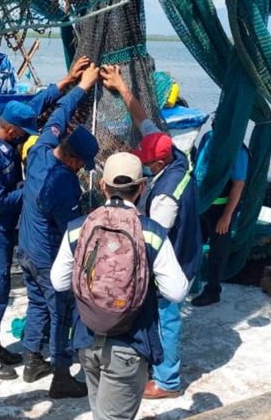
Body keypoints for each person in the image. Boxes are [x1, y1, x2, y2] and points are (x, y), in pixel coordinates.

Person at [0, 56, 91, 380]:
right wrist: (29, 189)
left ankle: (5, 349)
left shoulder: (32, 145)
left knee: (23, 295)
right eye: (21, 132)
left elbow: (39, 110)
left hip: (20, 240)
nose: (27, 135)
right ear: (9, 131)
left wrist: (67, 83)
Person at [50, 152, 189, 419]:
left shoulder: (78, 228)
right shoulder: (151, 232)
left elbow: (58, 282)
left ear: (102, 185)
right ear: (141, 187)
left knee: (100, 411)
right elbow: (177, 291)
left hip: (86, 337)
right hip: (130, 342)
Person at [100, 63, 203, 399]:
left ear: (156, 166)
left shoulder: (166, 197)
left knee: (167, 316)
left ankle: (167, 381)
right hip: (187, 246)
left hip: (177, 259)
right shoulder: (174, 153)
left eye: (144, 161)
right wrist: (121, 87)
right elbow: (144, 121)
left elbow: (154, 239)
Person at [17, 63, 100, 398]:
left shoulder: (40, 148)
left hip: (24, 249)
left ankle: (32, 360)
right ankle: (61, 376)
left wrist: (82, 84)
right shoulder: (64, 186)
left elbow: (61, 113)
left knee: (37, 303)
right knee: (60, 311)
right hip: (46, 255)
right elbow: (70, 233)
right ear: (75, 161)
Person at [190, 127, 248, 307]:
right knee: (192, 244)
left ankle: (213, 291)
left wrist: (227, 216)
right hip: (201, 205)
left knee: (218, 252)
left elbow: (238, 184)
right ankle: (189, 282)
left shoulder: (237, 149)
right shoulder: (208, 137)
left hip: (221, 209)